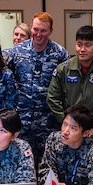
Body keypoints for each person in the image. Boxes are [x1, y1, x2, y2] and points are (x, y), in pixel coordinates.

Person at [6, 12, 69, 166]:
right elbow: (3, 75)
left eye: (43, 31)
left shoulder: (60, 54)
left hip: (48, 121)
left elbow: (66, 87)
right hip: (22, 120)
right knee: (22, 163)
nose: (38, 34)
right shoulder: (16, 52)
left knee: (47, 166)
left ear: (51, 31)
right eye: (35, 29)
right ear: (31, 27)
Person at [47, 25, 93, 152]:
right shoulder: (64, 69)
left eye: (88, 45)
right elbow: (52, 98)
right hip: (69, 131)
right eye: (79, 44)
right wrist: (67, 123)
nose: (82, 49)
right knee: (67, 162)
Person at [38, 105, 93, 185]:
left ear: (86, 133)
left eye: (73, 128)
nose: (66, 131)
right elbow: (45, 170)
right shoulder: (53, 140)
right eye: (65, 124)